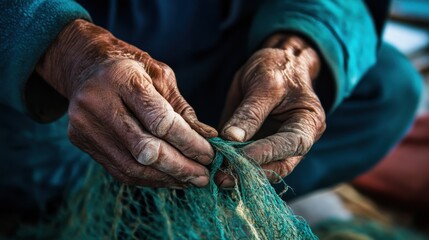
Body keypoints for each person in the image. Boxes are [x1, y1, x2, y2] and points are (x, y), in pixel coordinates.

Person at [0, 0, 422, 223]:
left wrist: (297, 49)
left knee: (389, 88)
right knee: (41, 178)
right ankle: (97, 204)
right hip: (47, 72)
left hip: (221, 46)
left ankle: (192, 207)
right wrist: (67, 52)